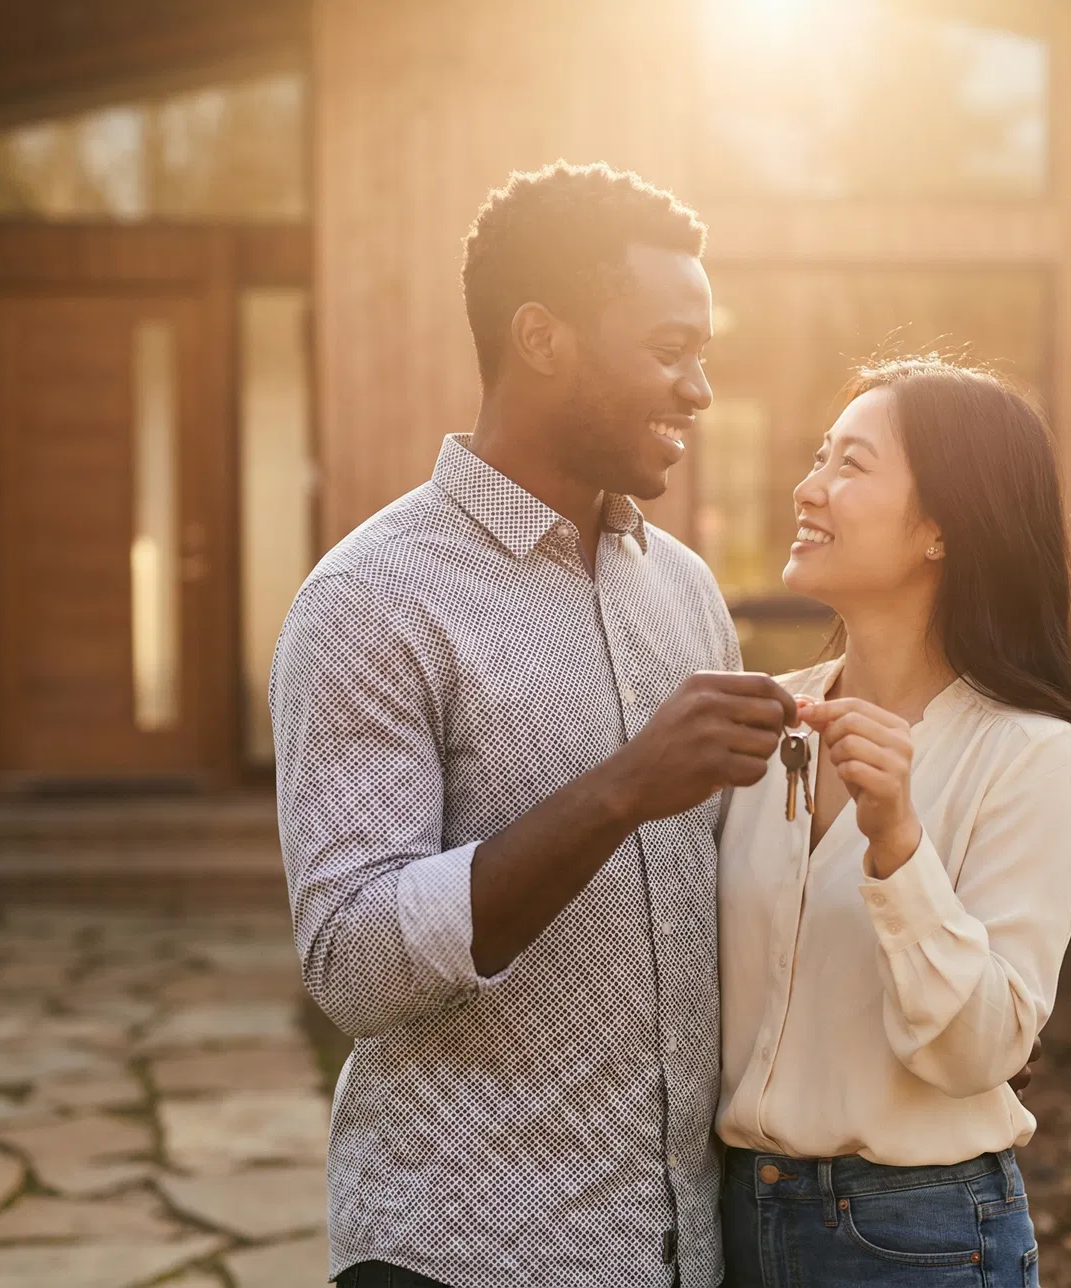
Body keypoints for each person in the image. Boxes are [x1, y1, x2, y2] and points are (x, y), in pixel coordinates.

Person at [269, 161, 799, 1288]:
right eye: (669, 348)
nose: (699, 388)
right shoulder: (372, 599)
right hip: (461, 1254)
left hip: (678, 1256)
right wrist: (620, 791)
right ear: (541, 338)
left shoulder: (689, 593)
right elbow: (351, 963)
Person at [715, 359, 1071, 1288]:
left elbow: (983, 1050)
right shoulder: (759, 724)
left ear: (941, 527)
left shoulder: (1030, 753)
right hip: (727, 1222)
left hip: (916, 1241)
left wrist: (899, 844)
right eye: (819, 455)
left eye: (852, 465)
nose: (809, 486)